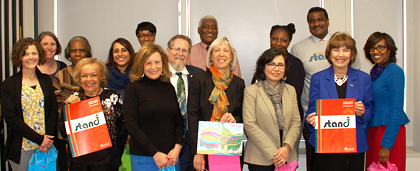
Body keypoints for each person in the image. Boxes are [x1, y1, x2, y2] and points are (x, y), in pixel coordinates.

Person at [290, 7, 359, 170]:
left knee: (344, 164)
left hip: (345, 120)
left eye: (320, 19)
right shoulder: (298, 48)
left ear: (327, 21)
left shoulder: (342, 44)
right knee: (318, 164)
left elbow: (356, 78)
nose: (317, 23)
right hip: (314, 117)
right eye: (312, 21)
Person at [305, 32, 374, 171]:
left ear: (352, 54)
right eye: (336, 50)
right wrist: (311, 119)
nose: (340, 55)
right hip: (326, 147)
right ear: (329, 53)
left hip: (353, 146)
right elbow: (312, 110)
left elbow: (370, 111)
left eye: (345, 50)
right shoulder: (318, 78)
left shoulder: (363, 79)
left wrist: (362, 112)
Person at [186, 36, 245, 171]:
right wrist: (198, 152)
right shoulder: (199, 80)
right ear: (211, 56)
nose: (221, 54)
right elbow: (193, 116)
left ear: (231, 57)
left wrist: (234, 119)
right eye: (217, 50)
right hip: (204, 148)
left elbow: (244, 115)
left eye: (226, 50)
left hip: (230, 147)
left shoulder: (239, 83)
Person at [124, 44, 184, 171]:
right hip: (145, 158)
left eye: (157, 62)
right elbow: (131, 125)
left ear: (163, 64)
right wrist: (155, 153)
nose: (153, 67)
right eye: (148, 63)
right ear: (141, 66)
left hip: (171, 158)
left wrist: (177, 148)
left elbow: (178, 121)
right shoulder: (133, 89)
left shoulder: (169, 88)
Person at [2, 37, 57, 171]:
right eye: (25, 54)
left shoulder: (45, 80)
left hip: (45, 147)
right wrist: (39, 139)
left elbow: (53, 110)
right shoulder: (9, 84)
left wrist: (47, 139)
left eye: (34, 53)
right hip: (22, 148)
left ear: (39, 55)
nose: (30, 57)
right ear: (19, 57)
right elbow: (11, 118)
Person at [243, 48, 301, 171]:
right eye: (271, 64)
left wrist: (286, 148)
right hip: (260, 157)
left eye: (280, 65)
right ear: (263, 67)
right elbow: (250, 125)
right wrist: (275, 154)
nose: (276, 68)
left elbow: (296, 122)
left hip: (287, 156)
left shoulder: (291, 90)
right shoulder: (251, 91)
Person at [64, 58, 127, 171]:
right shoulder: (74, 99)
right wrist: (67, 108)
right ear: (79, 77)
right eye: (84, 76)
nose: (89, 80)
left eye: (93, 75)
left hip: (106, 162)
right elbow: (63, 132)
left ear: (101, 76)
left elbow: (122, 129)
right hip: (79, 164)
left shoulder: (112, 97)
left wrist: (116, 155)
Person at [363, 32, 410, 171]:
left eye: (380, 47)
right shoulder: (376, 72)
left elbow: (396, 110)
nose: (375, 52)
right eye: (372, 48)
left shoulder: (394, 71)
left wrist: (386, 145)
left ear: (389, 50)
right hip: (374, 131)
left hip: (389, 133)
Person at [52, 36, 92, 171]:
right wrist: (66, 102)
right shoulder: (60, 75)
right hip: (66, 135)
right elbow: (54, 104)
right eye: (74, 51)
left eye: (82, 50)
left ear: (88, 53)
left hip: (90, 133)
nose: (78, 54)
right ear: (68, 53)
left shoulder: (94, 74)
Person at [166, 34, 204, 171]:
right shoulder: (158, 76)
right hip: (166, 142)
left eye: (185, 51)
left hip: (191, 143)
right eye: (176, 49)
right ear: (168, 51)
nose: (180, 54)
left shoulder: (199, 76)